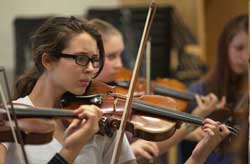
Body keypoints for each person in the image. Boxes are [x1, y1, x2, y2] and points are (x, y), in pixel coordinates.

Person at [88, 18, 231, 163]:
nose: (119, 64)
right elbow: (151, 146)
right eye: (111, 57)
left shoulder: (119, 97)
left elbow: (150, 145)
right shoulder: (90, 107)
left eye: (120, 55)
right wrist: (190, 124)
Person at [0, 16, 136, 164]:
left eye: (94, 60)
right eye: (81, 58)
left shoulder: (101, 118)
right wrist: (71, 150)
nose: (90, 69)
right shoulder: (9, 123)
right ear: (48, 60)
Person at [179, 14, 249, 164]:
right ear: (225, 48)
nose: (245, 56)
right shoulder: (200, 91)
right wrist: (188, 132)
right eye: (239, 48)